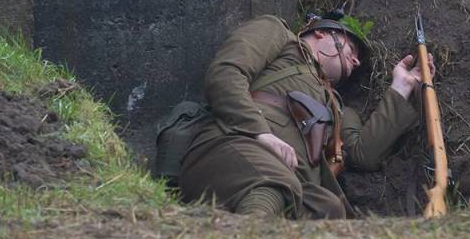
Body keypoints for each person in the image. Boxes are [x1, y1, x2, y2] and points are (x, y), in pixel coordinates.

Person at [179, 12, 433, 218]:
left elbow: (363, 153)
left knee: (329, 209)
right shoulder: (279, 35)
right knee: (275, 185)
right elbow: (226, 74)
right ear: (321, 33)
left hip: (292, 181)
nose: (356, 62)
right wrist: (260, 133)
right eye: (351, 48)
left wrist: (402, 87)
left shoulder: (338, 107)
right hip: (231, 146)